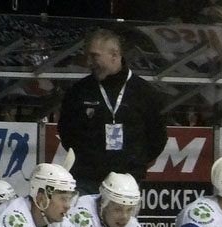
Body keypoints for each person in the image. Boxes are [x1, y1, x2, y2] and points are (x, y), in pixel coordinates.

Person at [58, 29, 168, 194]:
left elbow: (158, 135)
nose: (89, 62)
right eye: (88, 56)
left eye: (94, 56)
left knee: (121, 220)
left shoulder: (144, 91)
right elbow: (66, 132)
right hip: (87, 179)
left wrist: (137, 163)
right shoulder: (79, 91)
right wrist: (87, 159)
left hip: (127, 181)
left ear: (115, 55)